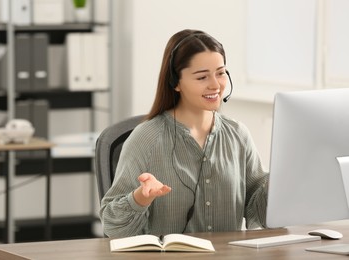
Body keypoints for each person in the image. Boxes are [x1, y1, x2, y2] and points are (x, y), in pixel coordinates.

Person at [99, 29, 269, 238]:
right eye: (202, 77)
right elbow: (112, 226)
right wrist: (140, 198)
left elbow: (259, 213)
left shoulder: (238, 135)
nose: (215, 85)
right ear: (175, 82)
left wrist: (280, 179)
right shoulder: (146, 138)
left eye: (221, 72)